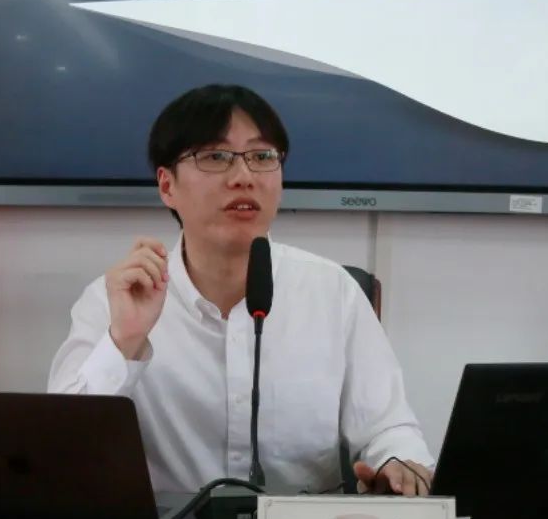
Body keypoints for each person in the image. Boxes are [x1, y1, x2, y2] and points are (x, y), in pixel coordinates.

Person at [48, 84, 434, 496]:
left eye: (262, 157)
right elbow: (61, 450)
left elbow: (389, 428)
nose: (243, 177)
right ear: (167, 186)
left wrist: (397, 465)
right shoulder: (115, 298)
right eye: (215, 157)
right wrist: (124, 340)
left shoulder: (332, 292)